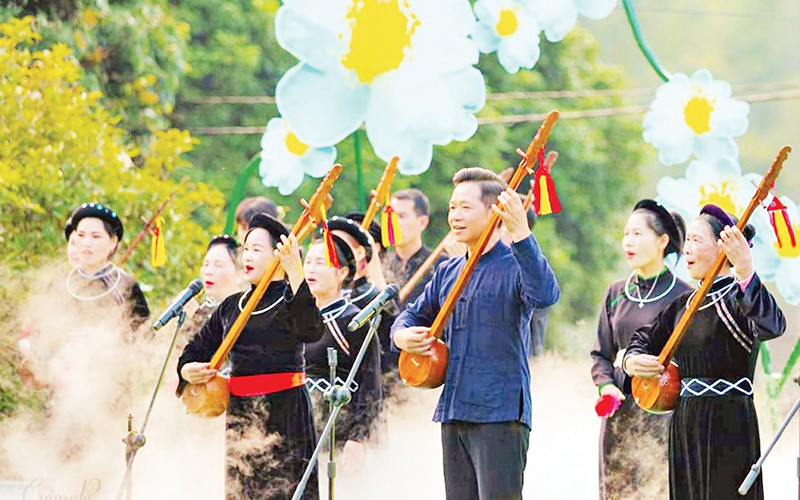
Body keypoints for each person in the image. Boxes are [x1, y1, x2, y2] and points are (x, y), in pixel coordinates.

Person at [392, 167, 560, 499]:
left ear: (494, 212)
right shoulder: (447, 271)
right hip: (454, 409)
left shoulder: (515, 264)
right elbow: (409, 316)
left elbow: (545, 295)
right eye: (452, 207)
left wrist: (522, 234)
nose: (455, 215)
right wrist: (402, 337)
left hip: (500, 413)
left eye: (466, 207)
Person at [624, 204, 786, 500]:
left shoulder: (739, 297)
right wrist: (632, 361)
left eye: (696, 240)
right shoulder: (682, 305)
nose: (686, 248)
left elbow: (773, 326)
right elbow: (643, 339)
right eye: (687, 240)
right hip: (685, 424)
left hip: (729, 425)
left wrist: (746, 271)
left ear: (723, 247)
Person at [177, 213, 324, 499]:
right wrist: (187, 370)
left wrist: (297, 274)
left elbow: (311, 330)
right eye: (246, 249)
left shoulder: (292, 297)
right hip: (241, 412)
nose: (248, 255)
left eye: (257, 249)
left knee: (288, 491)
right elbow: (196, 349)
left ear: (278, 255)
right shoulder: (232, 305)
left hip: (286, 411)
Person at [589, 199, 691, 499]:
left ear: (662, 241)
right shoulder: (615, 293)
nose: (628, 242)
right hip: (620, 410)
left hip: (665, 412)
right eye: (625, 234)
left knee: (659, 489)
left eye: (637, 234)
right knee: (617, 490)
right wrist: (606, 386)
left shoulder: (684, 296)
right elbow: (601, 354)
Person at [303, 234, 383, 465]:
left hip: (340, 438)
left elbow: (371, 384)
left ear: (342, 273)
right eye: (308, 261)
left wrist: (358, 437)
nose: (311, 269)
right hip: (303, 433)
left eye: (321, 262)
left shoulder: (355, 322)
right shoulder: (297, 319)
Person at [177, 234, 244, 353]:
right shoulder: (206, 307)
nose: (208, 271)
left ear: (240, 273)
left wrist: (196, 316)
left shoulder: (244, 310)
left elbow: (224, 352)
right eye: (206, 264)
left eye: (218, 265)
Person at [383, 189, 448, 310]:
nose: (393, 222)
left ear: (422, 222)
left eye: (401, 216)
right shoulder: (381, 263)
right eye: (391, 215)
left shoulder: (441, 265)